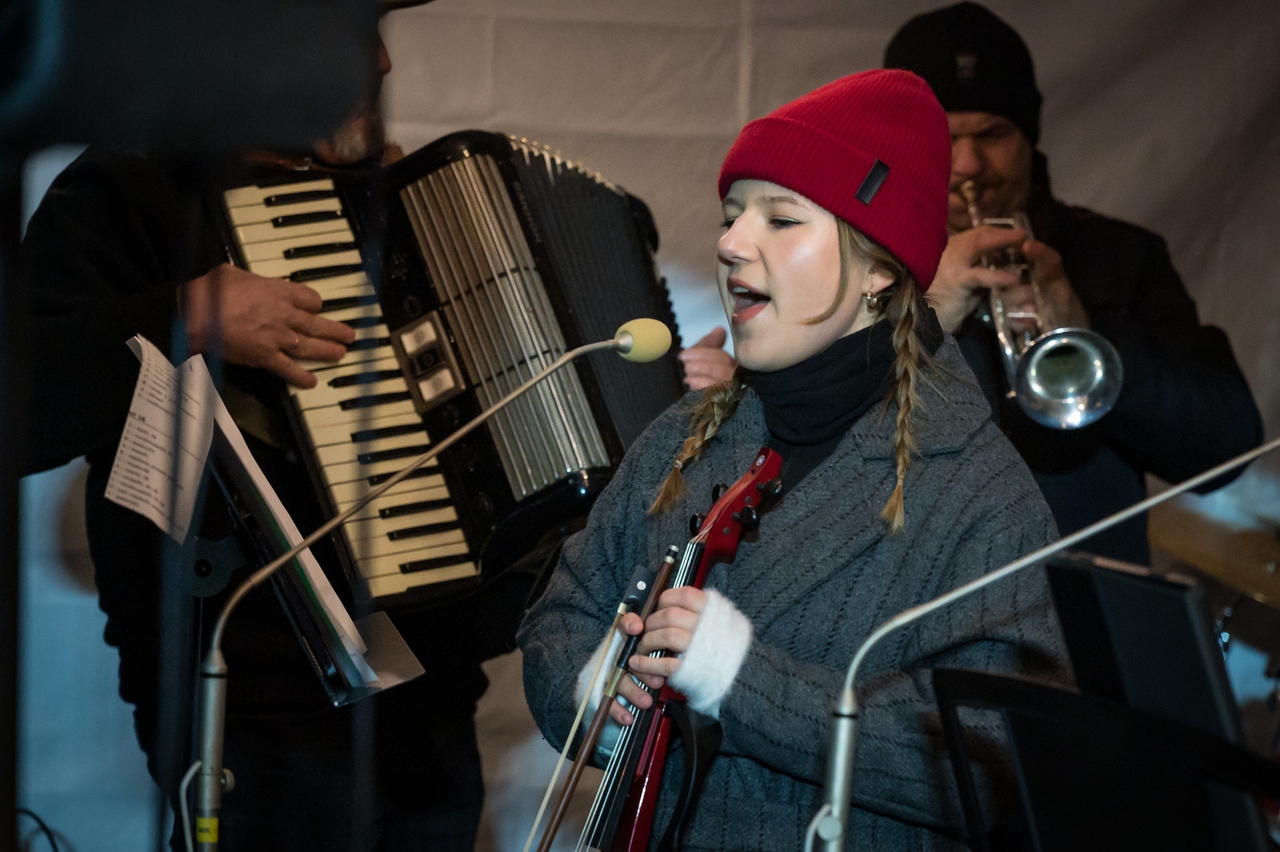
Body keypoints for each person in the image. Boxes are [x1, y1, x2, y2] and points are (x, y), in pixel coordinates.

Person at [519, 69, 1070, 851]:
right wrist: (593, 694)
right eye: (732, 216)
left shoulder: (979, 491)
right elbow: (564, 611)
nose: (730, 243)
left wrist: (742, 683)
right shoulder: (687, 433)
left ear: (880, 269)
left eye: (780, 219)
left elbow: (999, 764)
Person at [19, 14, 492, 852]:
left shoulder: (395, 194)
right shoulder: (127, 189)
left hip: (429, 698)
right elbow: (24, 407)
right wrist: (188, 317)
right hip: (246, 703)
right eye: (357, 32)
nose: (385, 62)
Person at [883, 2, 1264, 564]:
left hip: (1082, 598)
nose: (968, 165)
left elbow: (1224, 452)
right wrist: (926, 314)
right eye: (942, 135)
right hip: (912, 596)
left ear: (1029, 137)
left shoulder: (1121, 255)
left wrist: (1092, 334)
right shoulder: (858, 261)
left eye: (994, 134)